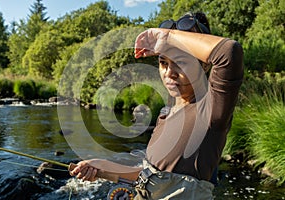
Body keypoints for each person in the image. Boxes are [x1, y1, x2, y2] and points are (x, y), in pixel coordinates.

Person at [70, 12, 244, 199]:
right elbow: (149, 178)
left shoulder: (210, 110)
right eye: (163, 62)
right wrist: (101, 167)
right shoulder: (166, 114)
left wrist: (167, 37)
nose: (169, 73)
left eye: (181, 62)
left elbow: (229, 52)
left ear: (205, 66)